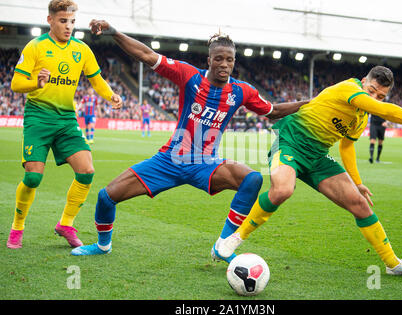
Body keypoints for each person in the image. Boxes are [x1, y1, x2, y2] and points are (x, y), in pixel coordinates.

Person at [71, 20, 309, 259]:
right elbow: (145, 54)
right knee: (106, 197)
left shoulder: (241, 91)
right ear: (209, 60)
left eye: (229, 59)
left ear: (234, 61)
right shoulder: (189, 76)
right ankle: (103, 245)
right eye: (219, 59)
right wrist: (113, 32)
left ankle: (223, 246)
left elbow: (274, 111)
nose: (224, 64)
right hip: (170, 160)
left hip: (206, 164)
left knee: (252, 179)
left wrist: (313, 103)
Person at [217, 66, 402, 276]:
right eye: (372, 91)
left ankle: (393, 263)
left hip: (318, 155)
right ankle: (235, 238)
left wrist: (357, 182)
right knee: (283, 190)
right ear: (362, 82)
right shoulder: (348, 88)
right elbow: (384, 110)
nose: (375, 98)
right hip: (291, 141)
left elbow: (347, 146)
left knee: (360, 204)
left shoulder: (360, 117)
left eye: (381, 95)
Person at [7, 0, 122, 249]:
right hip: (38, 117)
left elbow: (97, 79)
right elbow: (16, 84)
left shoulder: (81, 50)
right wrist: (35, 84)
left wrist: (110, 95)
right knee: (34, 178)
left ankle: (66, 224)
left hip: (66, 120)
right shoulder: (36, 46)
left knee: (86, 171)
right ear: (50, 20)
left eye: (72, 22)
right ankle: (17, 226)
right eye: (63, 21)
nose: (68, 26)